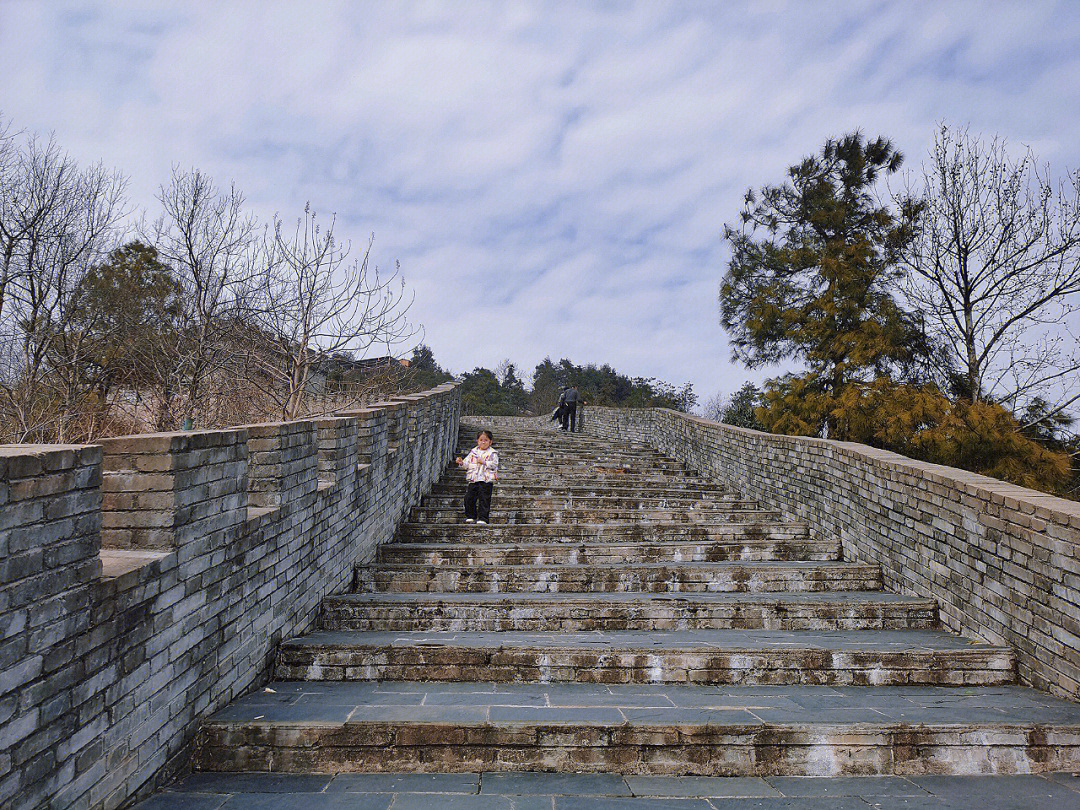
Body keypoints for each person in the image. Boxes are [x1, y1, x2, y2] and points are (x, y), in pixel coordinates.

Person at [455, 429, 498, 524]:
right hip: (474, 479)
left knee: (484, 500)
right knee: (469, 498)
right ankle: (471, 516)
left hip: (486, 480)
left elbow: (494, 464)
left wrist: (485, 462)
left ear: (490, 442)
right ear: (477, 441)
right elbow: (466, 464)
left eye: (486, 440)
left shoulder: (493, 453)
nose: (483, 442)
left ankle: (483, 518)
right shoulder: (473, 452)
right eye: (481, 440)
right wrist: (461, 463)